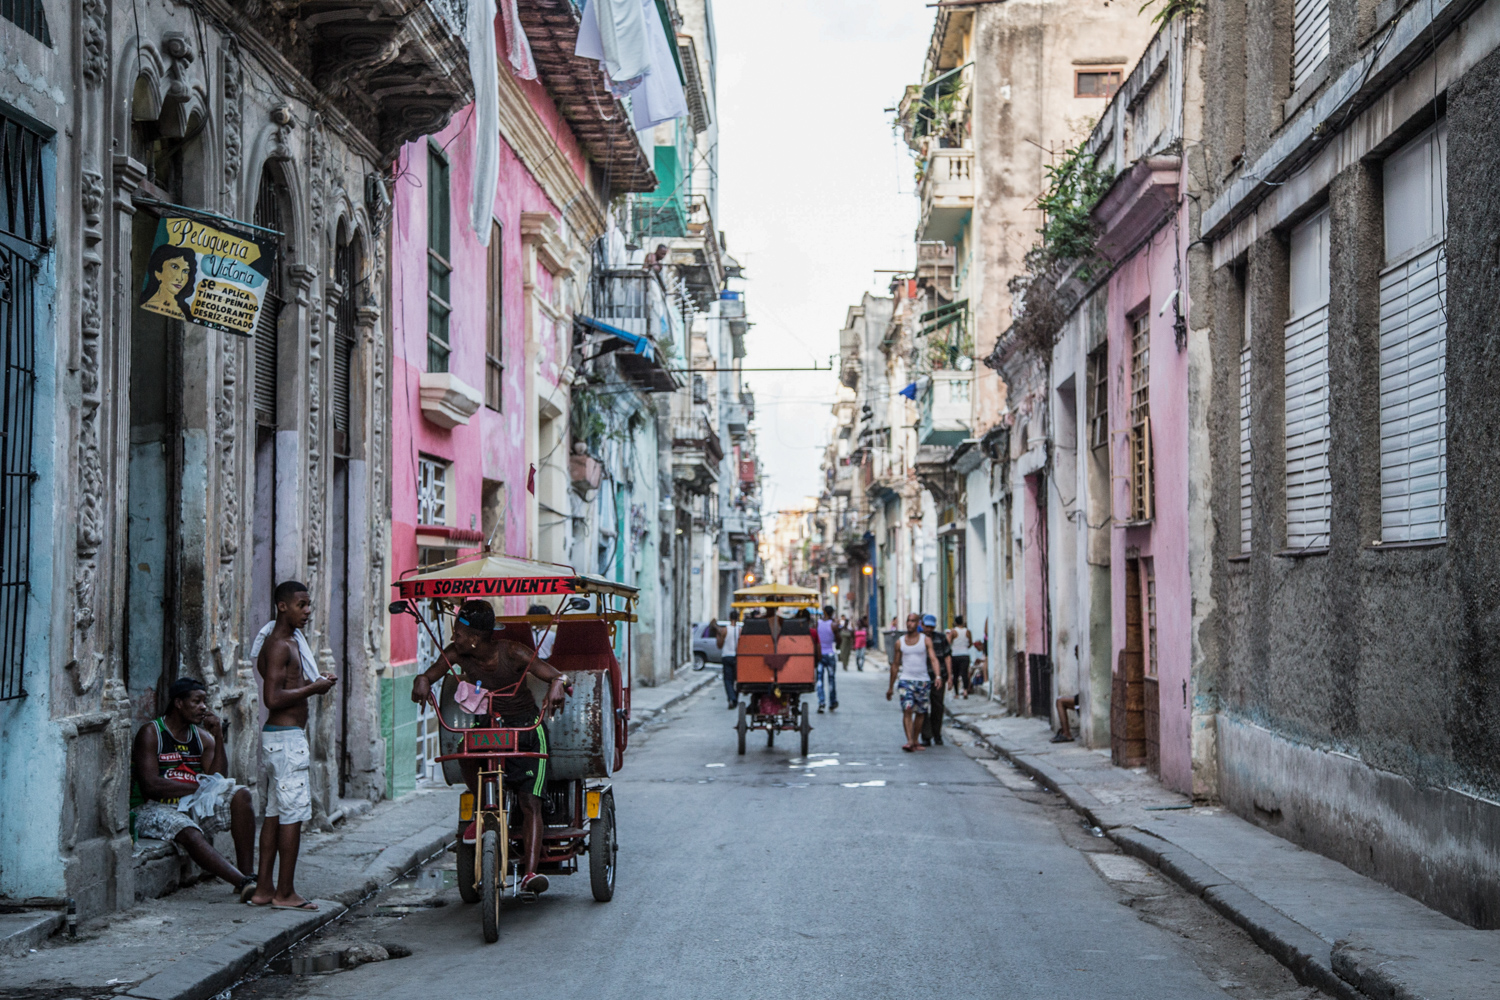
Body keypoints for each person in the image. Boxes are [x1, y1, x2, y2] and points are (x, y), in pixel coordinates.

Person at [411, 599, 568, 896]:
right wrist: (421, 681)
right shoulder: (457, 652)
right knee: (463, 749)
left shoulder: (511, 651)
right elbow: (430, 674)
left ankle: (530, 873)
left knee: (530, 801)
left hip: (526, 728)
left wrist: (558, 683)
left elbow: (554, 674)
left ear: (475, 638)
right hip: (490, 725)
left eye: (458, 632)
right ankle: (482, 812)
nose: (453, 636)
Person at [248, 581, 335, 909]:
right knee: (292, 816)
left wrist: (313, 682)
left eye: (309, 604)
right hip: (285, 742)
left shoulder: (285, 643)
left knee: (274, 814)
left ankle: (263, 889)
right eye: (301, 604)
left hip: (279, 741)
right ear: (282, 606)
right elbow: (272, 697)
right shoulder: (281, 644)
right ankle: (285, 893)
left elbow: (279, 679)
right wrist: (315, 689)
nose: (308, 611)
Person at [131, 678, 258, 899]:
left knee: (242, 795)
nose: (203, 707)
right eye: (196, 701)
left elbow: (216, 780)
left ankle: (247, 876)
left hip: (190, 801)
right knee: (188, 829)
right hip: (152, 808)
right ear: (178, 703)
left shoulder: (202, 738)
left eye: (204, 702)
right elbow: (151, 786)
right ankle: (244, 882)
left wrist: (218, 738)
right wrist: (199, 786)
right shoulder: (151, 733)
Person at [886, 613, 943, 752]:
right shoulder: (900, 642)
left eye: (913, 621)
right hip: (906, 680)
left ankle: (916, 739)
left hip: (923, 681)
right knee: (907, 709)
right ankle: (910, 741)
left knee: (921, 712)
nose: (909, 623)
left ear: (918, 624)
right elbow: (895, 664)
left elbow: (933, 658)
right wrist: (890, 687)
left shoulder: (925, 640)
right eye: (908, 621)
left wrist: (938, 676)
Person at [138, 244, 197, 320]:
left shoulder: (186, 312)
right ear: (158, 273)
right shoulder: (146, 305)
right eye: (174, 267)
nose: (180, 278)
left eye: (185, 271)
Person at [920, 614, 951, 746]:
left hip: (939, 678)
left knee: (938, 706)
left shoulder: (941, 638)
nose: (928, 629)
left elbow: (947, 657)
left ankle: (937, 734)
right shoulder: (919, 639)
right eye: (926, 626)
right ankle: (926, 735)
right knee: (923, 707)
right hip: (922, 677)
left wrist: (950, 676)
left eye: (931, 627)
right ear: (922, 625)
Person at [814, 605, 839, 714]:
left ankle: (821, 702)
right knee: (831, 679)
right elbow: (839, 639)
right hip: (830, 654)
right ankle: (832, 702)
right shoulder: (833, 625)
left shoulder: (817, 624)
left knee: (819, 680)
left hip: (820, 654)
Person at [716, 610, 742, 710]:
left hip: (726, 656)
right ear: (738, 618)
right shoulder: (740, 630)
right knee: (738, 680)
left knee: (728, 680)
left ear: (729, 617)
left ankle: (731, 698)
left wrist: (718, 637)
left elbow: (719, 645)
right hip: (737, 657)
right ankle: (734, 697)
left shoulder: (725, 630)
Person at [948, 615, 974, 698]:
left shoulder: (953, 632)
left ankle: (956, 693)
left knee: (955, 674)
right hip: (965, 654)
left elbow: (949, 642)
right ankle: (965, 691)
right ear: (963, 622)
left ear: (955, 622)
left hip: (955, 655)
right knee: (964, 673)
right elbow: (970, 643)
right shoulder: (967, 631)